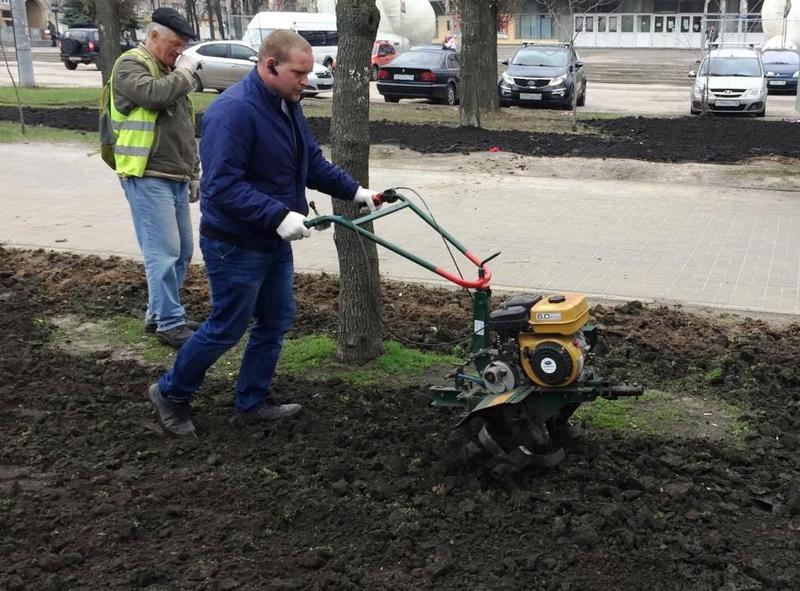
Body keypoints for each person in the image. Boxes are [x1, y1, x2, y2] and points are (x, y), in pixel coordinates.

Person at [147, 29, 381, 436]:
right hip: (234, 243)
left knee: (275, 321)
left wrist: (356, 192)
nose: (306, 81)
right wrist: (277, 215)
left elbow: (310, 163)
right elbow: (222, 186)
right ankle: (170, 392)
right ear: (270, 65)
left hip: (271, 239)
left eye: (308, 73)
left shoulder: (286, 104)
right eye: (299, 73)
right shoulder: (233, 112)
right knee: (227, 327)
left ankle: (251, 401)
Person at [111, 8, 203, 348]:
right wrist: (185, 74)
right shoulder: (130, 65)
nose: (179, 51)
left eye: (183, 46)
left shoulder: (168, 72)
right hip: (147, 174)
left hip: (175, 175)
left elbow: (184, 129)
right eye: (175, 44)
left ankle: (159, 313)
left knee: (182, 252)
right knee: (163, 252)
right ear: (153, 36)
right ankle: (170, 322)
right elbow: (154, 95)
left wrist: (193, 173)